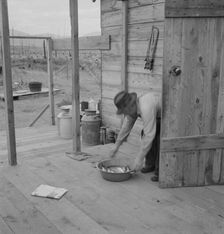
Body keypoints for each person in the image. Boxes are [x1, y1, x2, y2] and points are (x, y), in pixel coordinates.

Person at [109, 91, 161, 181]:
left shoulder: (146, 107)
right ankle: (150, 164)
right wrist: (116, 146)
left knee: (159, 138)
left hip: (168, 116)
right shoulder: (132, 110)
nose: (125, 114)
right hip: (156, 116)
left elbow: (149, 135)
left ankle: (161, 170)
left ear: (131, 106)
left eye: (125, 111)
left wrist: (139, 159)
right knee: (144, 134)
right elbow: (126, 128)